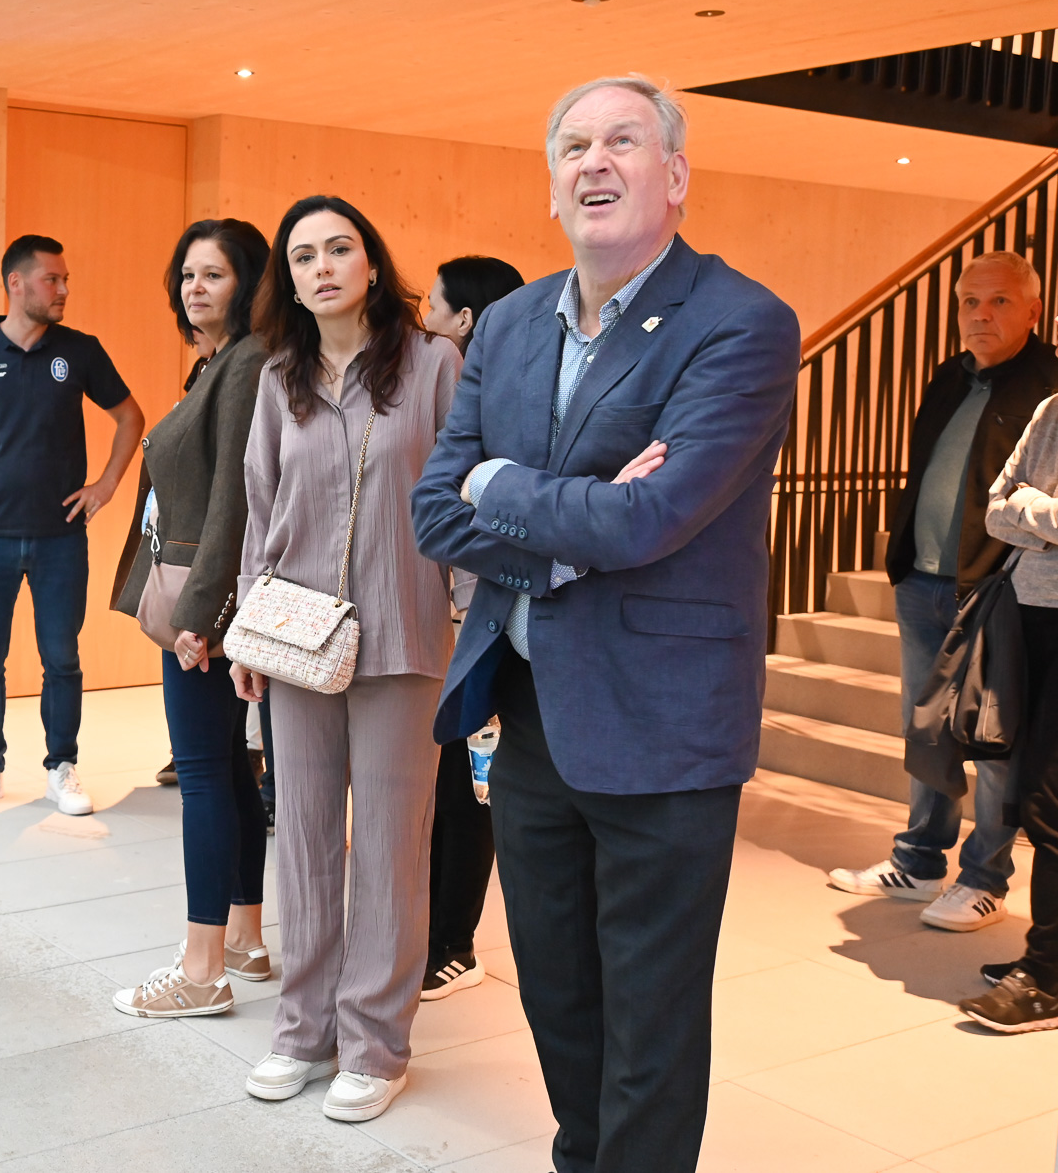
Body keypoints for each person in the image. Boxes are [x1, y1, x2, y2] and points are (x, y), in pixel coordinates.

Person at [411, 77, 800, 1172]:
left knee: (651, 1021)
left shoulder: (741, 322)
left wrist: (505, 485)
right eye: (574, 144)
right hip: (530, 716)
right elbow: (436, 509)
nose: (596, 160)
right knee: (558, 996)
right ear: (551, 187)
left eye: (624, 140)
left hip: (665, 728)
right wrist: (566, 525)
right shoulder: (512, 322)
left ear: (674, 176)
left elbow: (653, 516)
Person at [233, 195, 461, 1123]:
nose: (322, 266)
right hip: (295, 635)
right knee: (304, 839)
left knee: (392, 849)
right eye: (303, 256)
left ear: (372, 263)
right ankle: (303, 1029)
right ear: (288, 281)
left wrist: (475, 617)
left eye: (339, 249)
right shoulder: (277, 376)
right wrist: (248, 623)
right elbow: (260, 503)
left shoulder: (433, 364)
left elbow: (459, 494)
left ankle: (375, 1042)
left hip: (405, 630)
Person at [829, 250, 1058, 929]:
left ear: (1034, 311)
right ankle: (920, 860)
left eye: (999, 301)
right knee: (925, 728)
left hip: (996, 590)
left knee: (992, 737)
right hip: (922, 580)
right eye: (969, 302)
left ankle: (985, 878)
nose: (980, 315)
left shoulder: (1049, 388)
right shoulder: (948, 376)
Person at [0, 235, 145, 817]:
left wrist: (106, 485)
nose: (63, 290)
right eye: (51, 280)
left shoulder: (80, 352)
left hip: (61, 539)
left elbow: (130, 417)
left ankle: (62, 767)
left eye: (65, 280)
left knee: (61, 658)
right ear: (16, 284)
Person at [110, 218, 273, 1018]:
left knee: (204, 774)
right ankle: (243, 938)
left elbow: (233, 498)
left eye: (214, 274)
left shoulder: (245, 362)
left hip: (201, 605)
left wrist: (201, 617)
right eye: (187, 275)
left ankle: (202, 971)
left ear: (249, 283)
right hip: (200, 599)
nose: (196, 288)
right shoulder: (216, 362)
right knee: (228, 770)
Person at [417, 254, 525, 1002]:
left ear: (463, 320)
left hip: (478, 617)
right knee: (445, 785)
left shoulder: (484, 397)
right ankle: (432, 931)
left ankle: (455, 944)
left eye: (432, 305)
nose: (422, 317)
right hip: (449, 614)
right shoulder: (459, 388)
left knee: (467, 790)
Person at [963, 393, 1058, 1032]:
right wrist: (1031, 509)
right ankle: (1046, 954)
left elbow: (1015, 505)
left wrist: (1030, 506)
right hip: (1030, 616)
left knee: (1051, 801)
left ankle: (1046, 979)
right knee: (1029, 792)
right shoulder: (1051, 410)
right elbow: (994, 508)